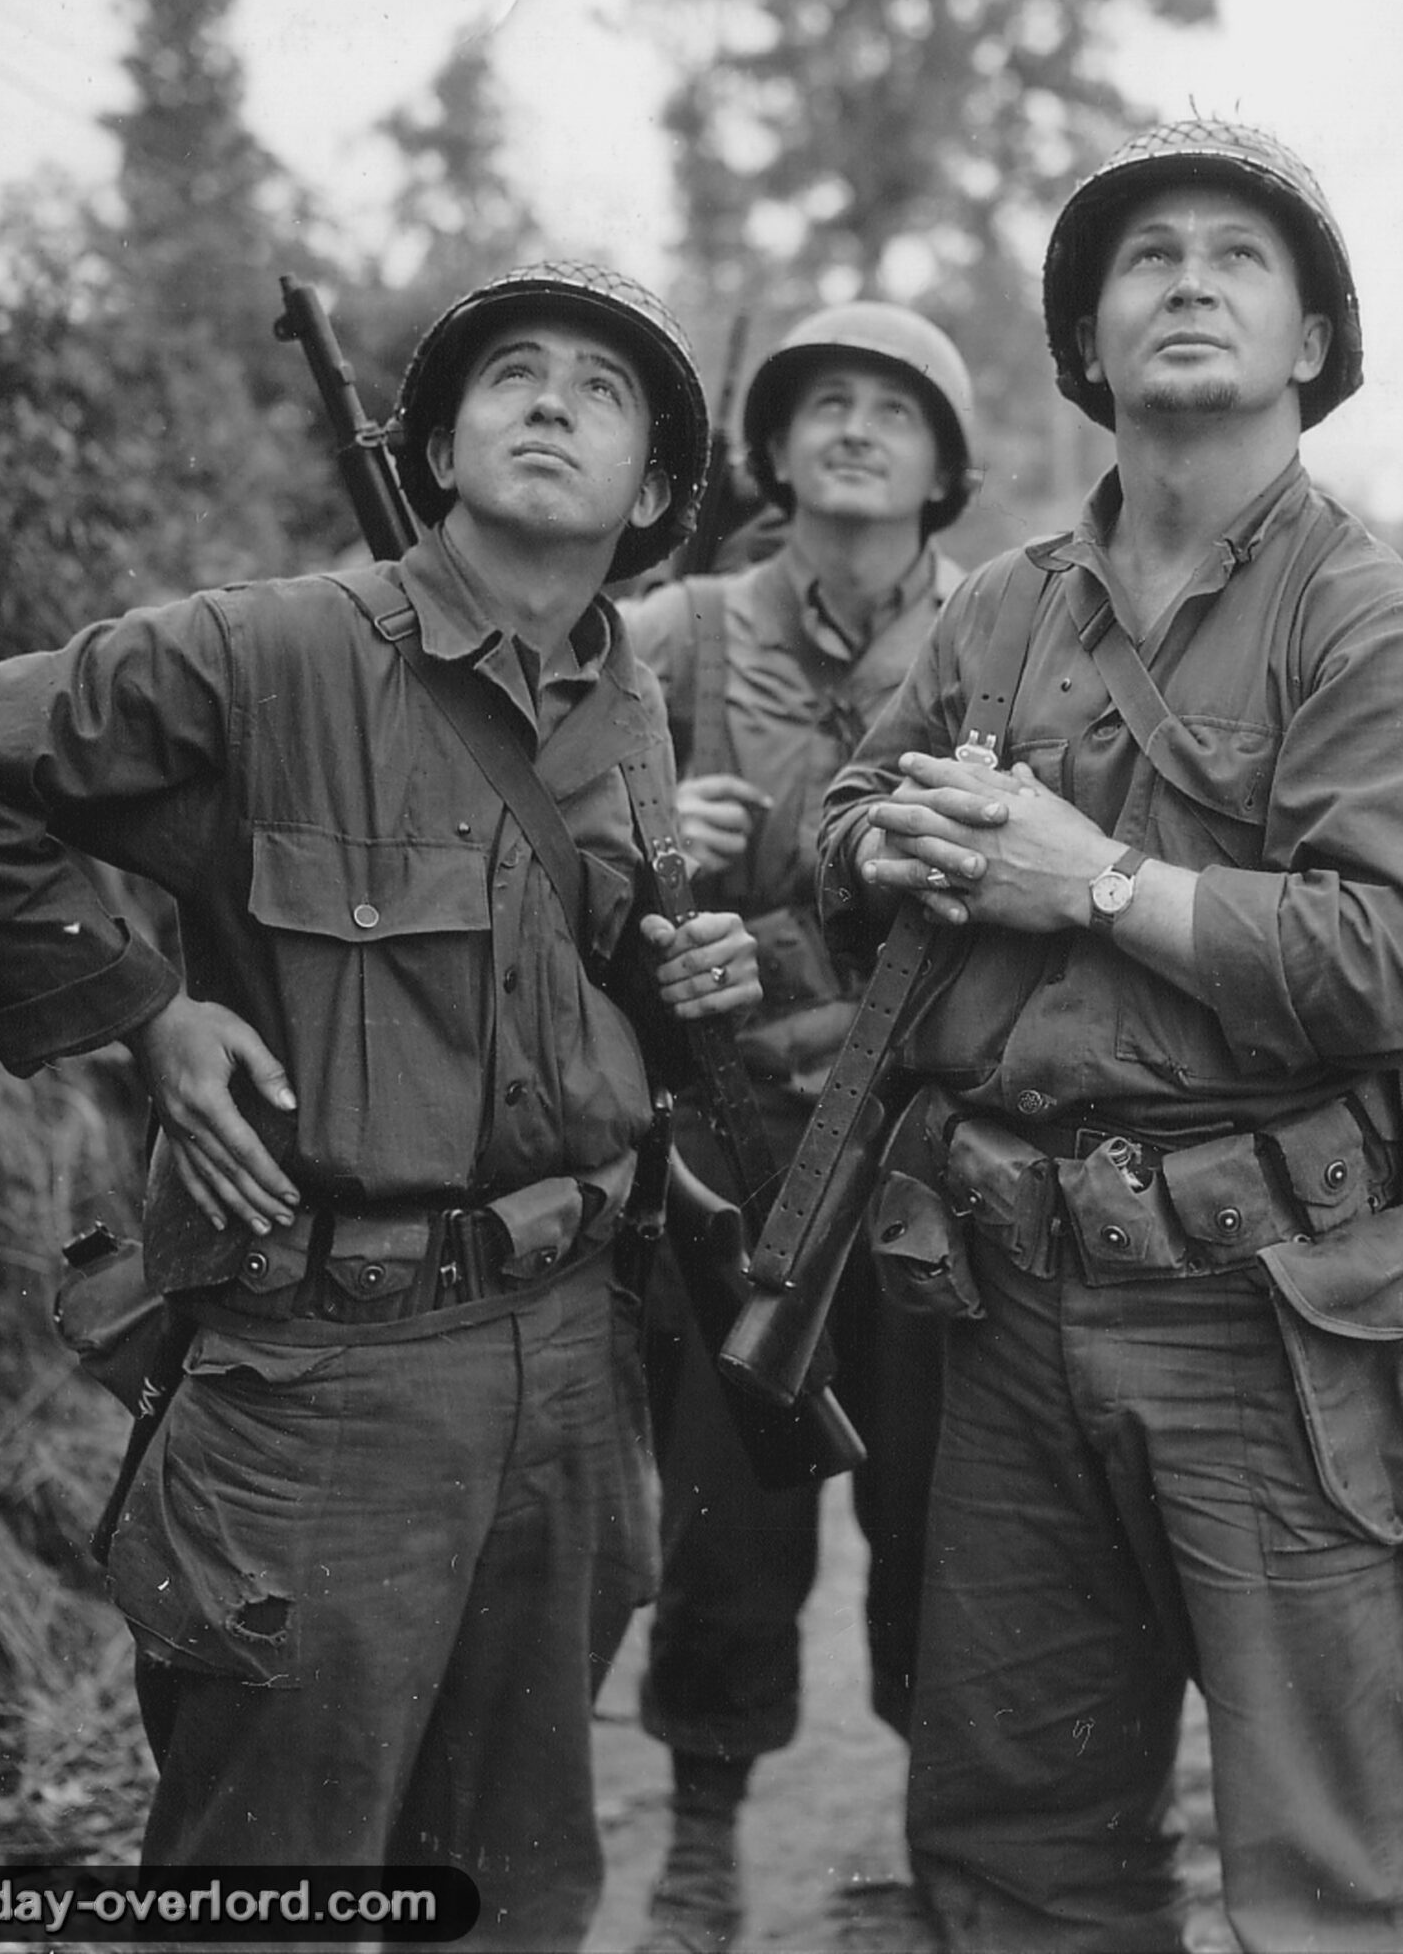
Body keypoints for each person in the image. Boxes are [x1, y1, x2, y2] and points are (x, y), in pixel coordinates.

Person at [0, 261, 765, 1950]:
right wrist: (145, 1011)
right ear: (439, 444)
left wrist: (683, 987)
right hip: (329, 1380)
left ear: (661, 492)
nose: (553, 403)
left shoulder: (629, 698)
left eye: (604, 391)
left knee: (516, 1884)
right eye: (514, 376)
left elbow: (586, 975)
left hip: (572, 1363)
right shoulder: (269, 652)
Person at [818, 118, 1403, 1952]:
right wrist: (879, 839)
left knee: (1336, 1869)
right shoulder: (999, 608)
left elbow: (1392, 965)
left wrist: (1100, 881)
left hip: (1268, 1312)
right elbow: (840, 825)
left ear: (1307, 344)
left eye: (1236, 256)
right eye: (1145, 259)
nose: (1188, 278)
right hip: (1009, 1294)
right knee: (1016, 1845)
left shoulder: (1373, 623)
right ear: (1090, 348)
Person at [612, 301, 980, 1954]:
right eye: (821, 402)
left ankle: (939, 1846)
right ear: (774, 447)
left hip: (929, 1157)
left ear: (943, 462)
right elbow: (530, 846)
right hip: (729, 1152)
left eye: (892, 409)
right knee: (723, 1524)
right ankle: (699, 1854)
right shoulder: (672, 633)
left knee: (948, 1522)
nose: (853, 429)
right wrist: (634, 838)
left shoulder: (1013, 634)